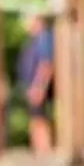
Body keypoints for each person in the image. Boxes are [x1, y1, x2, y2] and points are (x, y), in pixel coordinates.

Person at [17, 9, 57, 157]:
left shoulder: (44, 38)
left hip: (39, 88)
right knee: (36, 119)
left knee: (39, 119)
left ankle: (44, 152)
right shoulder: (37, 39)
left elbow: (46, 64)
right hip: (33, 87)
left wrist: (39, 87)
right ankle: (40, 151)